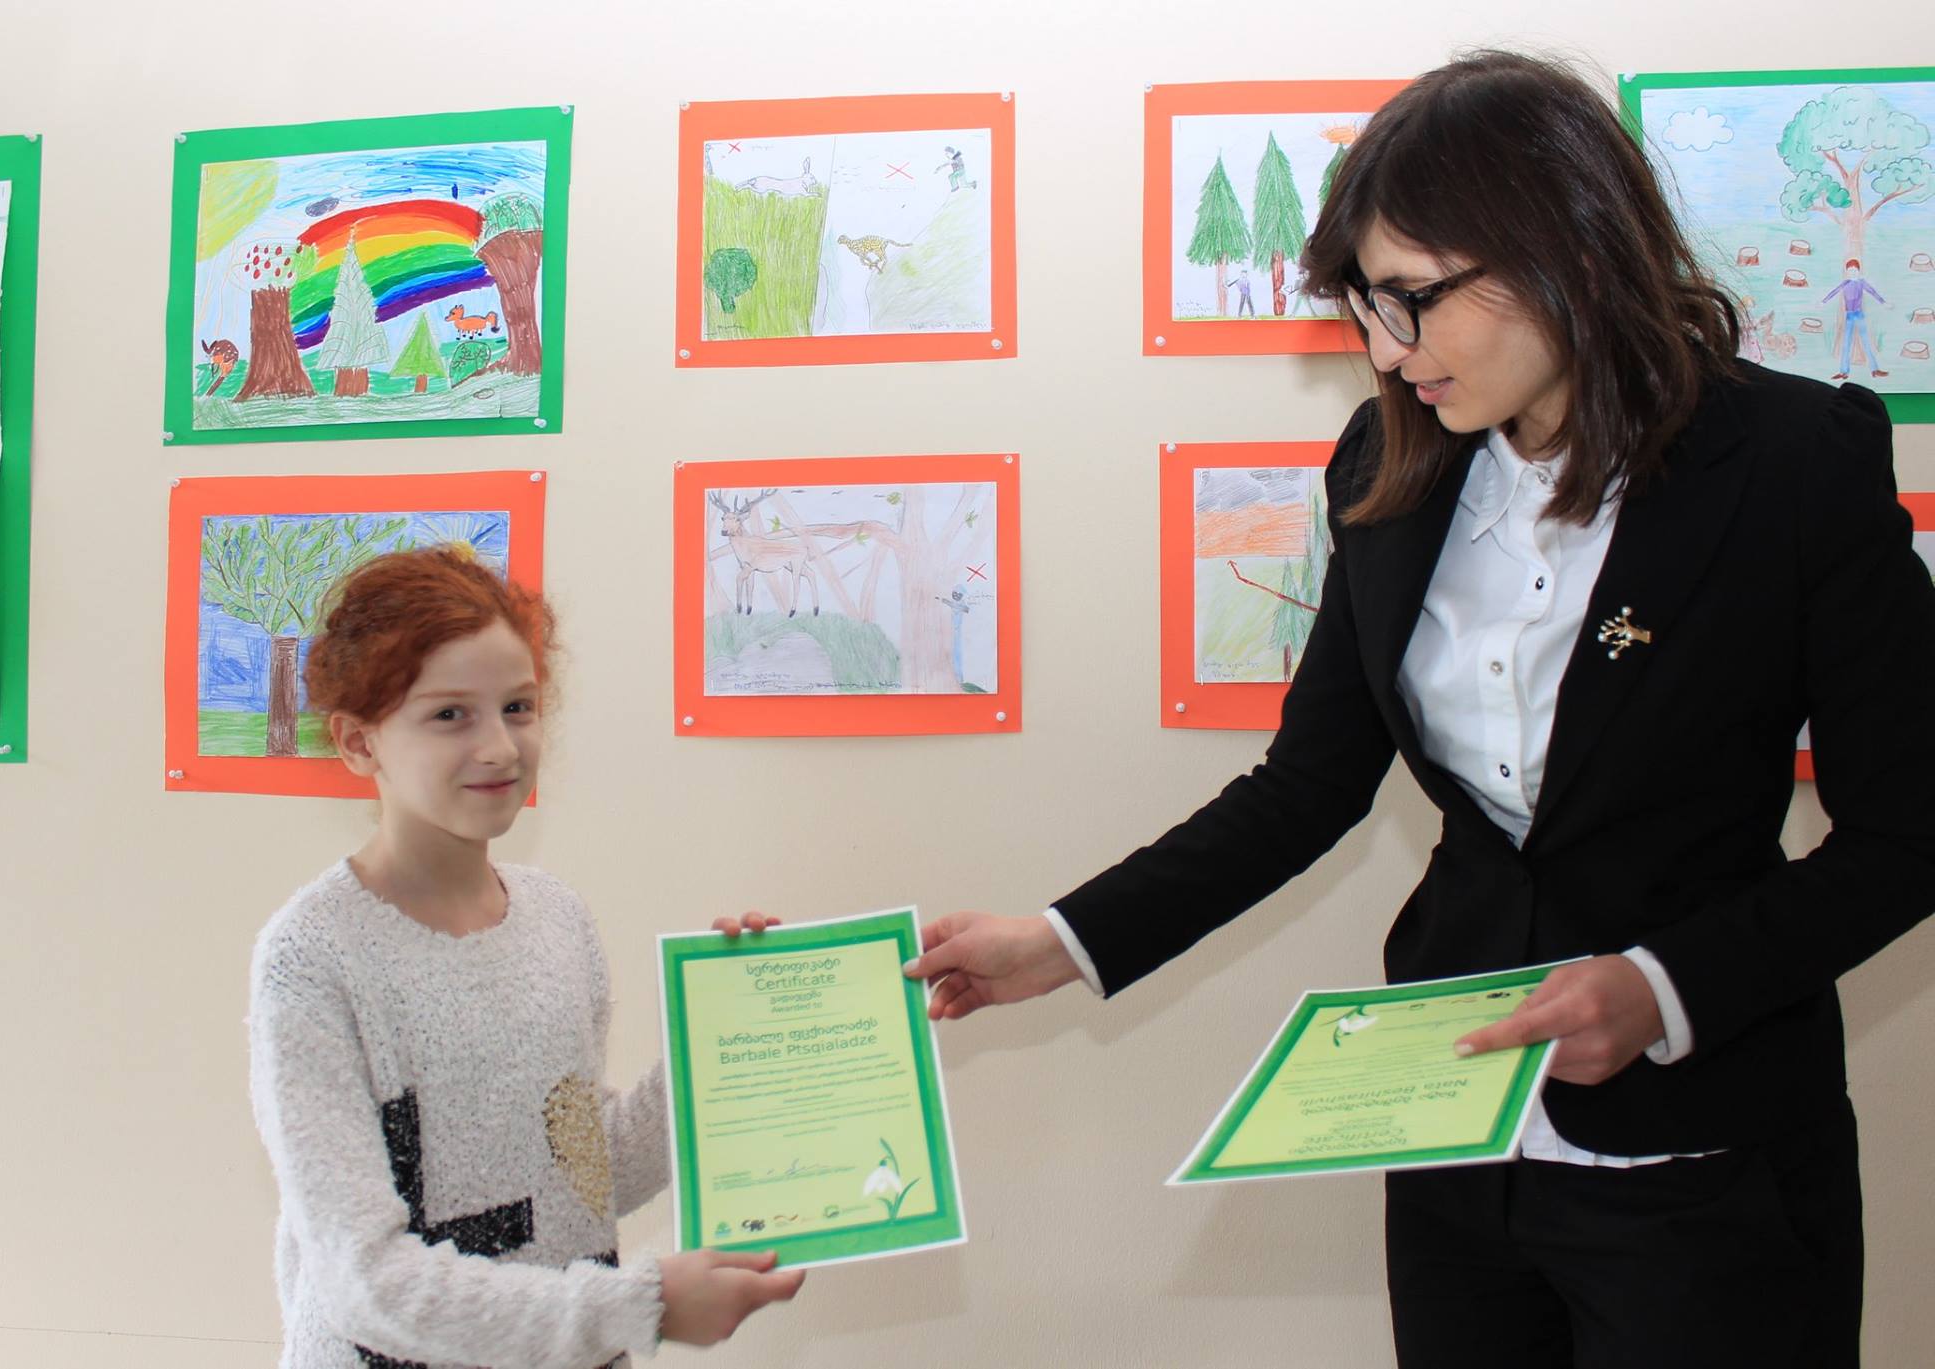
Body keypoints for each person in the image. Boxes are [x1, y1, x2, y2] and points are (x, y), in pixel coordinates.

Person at [904, 51, 1935, 1368]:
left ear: (1566, 248)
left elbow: (1908, 831)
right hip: (1455, 1139)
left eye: (1412, 299)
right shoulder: (1387, 460)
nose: (1387, 353)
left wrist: (1663, 987)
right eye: (1363, 307)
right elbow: (1307, 785)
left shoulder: (1791, 465)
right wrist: (1060, 940)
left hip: (1705, 1158)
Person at [247, 548, 803, 1368]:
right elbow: (363, 1281)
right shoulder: (310, 959)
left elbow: (582, 1172)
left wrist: (722, 1034)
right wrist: (639, 1303)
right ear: (359, 741)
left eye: (518, 707)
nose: (500, 747)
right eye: (450, 714)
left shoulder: (557, 917)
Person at [1823, 259, 1890, 381]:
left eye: (1854, 270)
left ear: (1858, 271)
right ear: (1846, 272)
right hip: (1849, 316)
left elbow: (1873, 292)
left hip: (1859, 315)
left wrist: (1883, 302)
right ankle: (1843, 372)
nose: (1852, 273)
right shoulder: (1845, 283)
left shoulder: (1861, 282)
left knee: (1866, 342)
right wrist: (1823, 302)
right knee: (1846, 343)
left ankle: (1875, 369)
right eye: (1850, 271)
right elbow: (1834, 292)